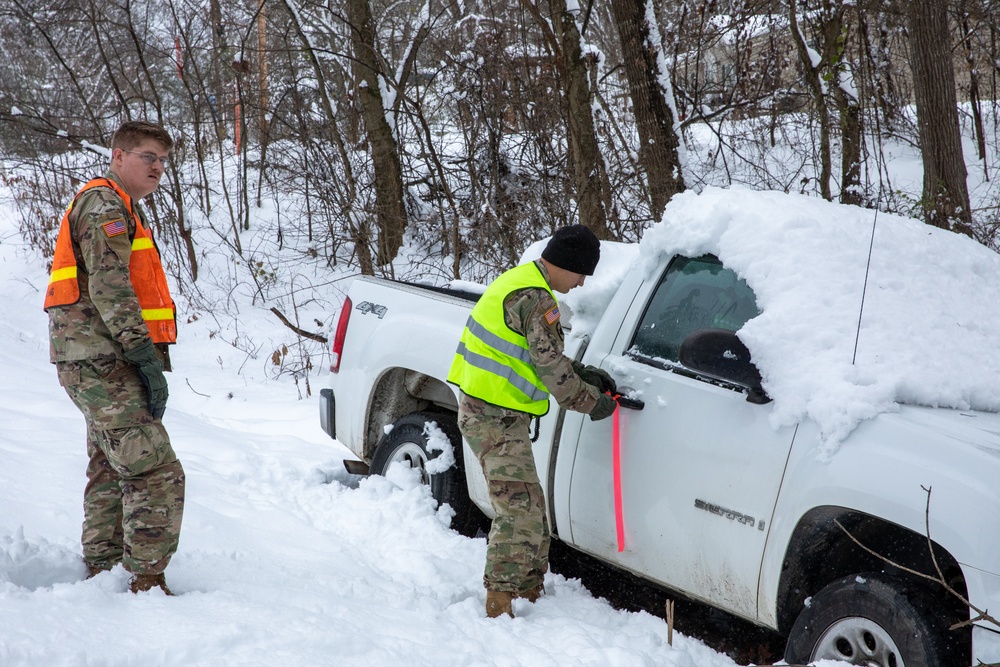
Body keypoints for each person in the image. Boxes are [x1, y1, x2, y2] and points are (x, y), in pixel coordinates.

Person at [447, 224, 618, 618]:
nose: (581, 283)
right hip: (493, 415)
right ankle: (500, 602)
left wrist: (584, 373)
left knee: (529, 504)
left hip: (491, 410)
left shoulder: (519, 281)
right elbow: (553, 373)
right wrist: (594, 402)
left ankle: (526, 591)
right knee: (519, 510)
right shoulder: (535, 298)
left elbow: (537, 355)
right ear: (566, 264)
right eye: (581, 273)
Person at [44, 120, 184, 595]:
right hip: (102, 358)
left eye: (163, 161)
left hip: (96, 357)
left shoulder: (119, 206)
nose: (158, 168)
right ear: (119, 156)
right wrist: (143, 353)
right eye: (149, 157)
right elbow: (110, 286)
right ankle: (146, 581)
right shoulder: (105, 203)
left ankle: (103, 570)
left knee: (110, 462)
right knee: (154, 467)